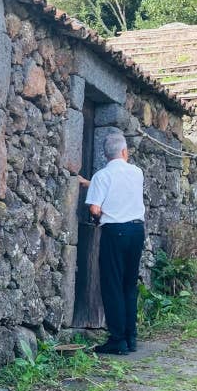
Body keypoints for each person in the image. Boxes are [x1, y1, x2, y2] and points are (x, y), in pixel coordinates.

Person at [76, 130, 146, 355]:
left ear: (105, 155)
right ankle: (131, 337)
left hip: (115, 232)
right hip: (137, 231)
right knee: (128, 284)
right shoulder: (137, 173)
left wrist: (100, 214)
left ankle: (117, 340)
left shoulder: (101, 177)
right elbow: (120, 189)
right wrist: (91, 184)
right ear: (124, 151)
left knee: (112, 285)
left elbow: (95, 208)